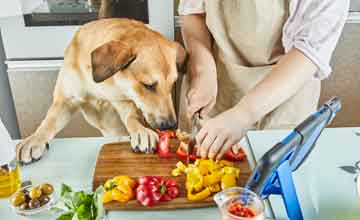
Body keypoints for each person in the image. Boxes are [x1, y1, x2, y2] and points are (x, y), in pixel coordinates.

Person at [178, 0, 349, 160]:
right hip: (218, 87)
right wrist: (203, 68)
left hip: (286, 102)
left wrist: (242, 115)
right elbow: (193, 12)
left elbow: (309, 51)